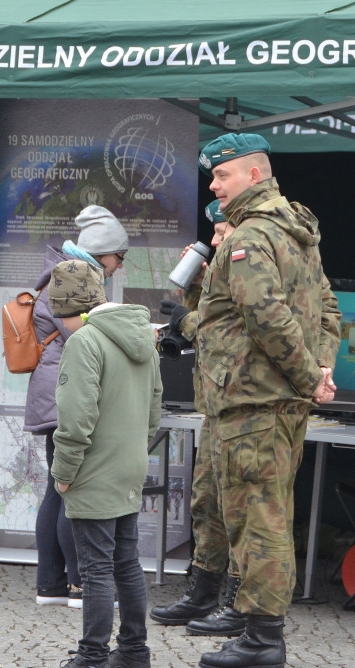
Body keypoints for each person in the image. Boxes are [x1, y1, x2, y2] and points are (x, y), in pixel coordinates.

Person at [194, 133, 340, 668]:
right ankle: (259, 634)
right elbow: (327, 305)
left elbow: (267, 316)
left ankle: (261, 639)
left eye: (221, 176)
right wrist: (320, 370)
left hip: (253, 400)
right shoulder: (297, 232)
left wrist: (308, 376)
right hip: (276, 400)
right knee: (271, 513)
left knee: (259, 519)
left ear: (253, 175)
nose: (213, 185)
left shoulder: (252, 236)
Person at [39, 260, 162, 668]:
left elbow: (75, 419)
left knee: (95, 569)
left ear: (64, 308)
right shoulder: (141, 335)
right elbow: (154, 406)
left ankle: (91, 660)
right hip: (129, 465)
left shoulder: (85, 342)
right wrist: (135, 449)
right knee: (126, 561)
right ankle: (133, 655)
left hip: (94, 469)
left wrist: (64, 470)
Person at [150, 200, 247, 638]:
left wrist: (186, 320)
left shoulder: (252, 272)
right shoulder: (222, 271)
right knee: (206, 502)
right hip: (213, 407)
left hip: (243, 409)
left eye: (221, 232)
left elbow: (223, 334)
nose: (214, 240)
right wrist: (196, 285)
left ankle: (238, 600)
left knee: (241, 511)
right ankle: (202, 591)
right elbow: (205, 320)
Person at [25, 205, 129, 609]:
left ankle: (50, 583)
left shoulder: (64, 271)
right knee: (75, 490)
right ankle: (81, 585)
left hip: (54, 391)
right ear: (103, 253)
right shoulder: (72, 277)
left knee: (58, 488)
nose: (120, 266)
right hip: (66, 394)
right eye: (120, 257)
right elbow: (86, 339)